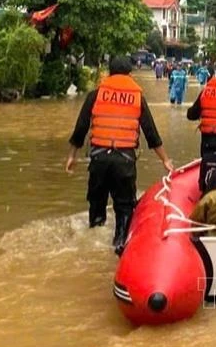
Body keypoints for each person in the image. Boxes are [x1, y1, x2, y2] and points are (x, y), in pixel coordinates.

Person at [65, 56, 174, 255]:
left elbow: (80, 128)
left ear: (109, 73)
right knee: (124, 208)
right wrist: (165, 160)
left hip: (99, 160)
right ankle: (120, 244)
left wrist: (72, 156)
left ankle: (93, 242)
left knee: (96, 205)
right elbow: (151, 133)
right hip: (124, 162)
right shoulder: (136, 97)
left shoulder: (96, 94)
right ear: (130, 74)